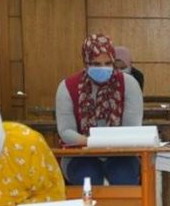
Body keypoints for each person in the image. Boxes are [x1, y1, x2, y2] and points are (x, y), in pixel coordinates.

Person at [55, 34, 144, 184]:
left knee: (124, 178)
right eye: (96, 64)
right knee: (88, 178)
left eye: (108, 63)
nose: (103, 68)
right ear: (86, 63)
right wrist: (91, 142)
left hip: (121, 153)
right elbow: (66, 131)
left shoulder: (129, 84)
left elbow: (132, 128)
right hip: (80, 153)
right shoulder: (67, 87)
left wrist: (107, 144)